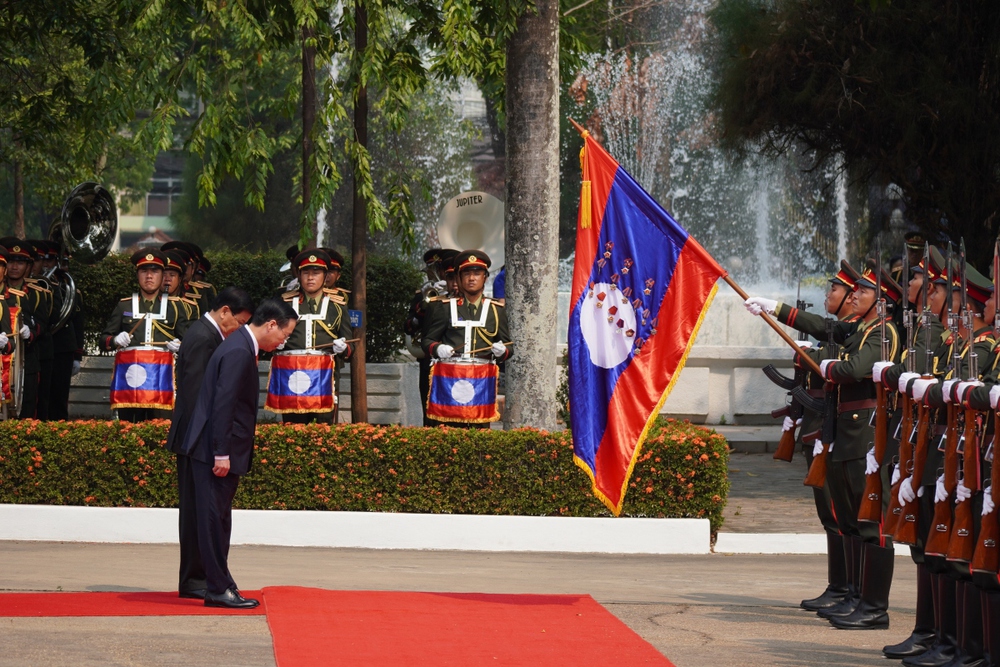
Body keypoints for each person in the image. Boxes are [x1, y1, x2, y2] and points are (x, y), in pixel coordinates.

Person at [746, 259, 902, 630]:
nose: (855, 296)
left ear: (881, 302)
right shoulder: (862, 329)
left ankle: (873, 607)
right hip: (847, 430)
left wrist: (817, 359)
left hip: (865, 433)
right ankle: (855, 595)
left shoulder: (883, 332)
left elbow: (851, 369)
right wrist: (777, 308)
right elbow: (825, 327)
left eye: (864, 291)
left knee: (869, 523)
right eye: (856, 289)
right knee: (850, 520)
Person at [180, 298, 298, 609]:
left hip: (217, 449)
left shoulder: (240, 346)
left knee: (218, 519)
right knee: (212, 521)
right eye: (284, 335)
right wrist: (221, 453)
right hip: (213, 451)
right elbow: (223, 404)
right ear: (271, 324)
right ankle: (218, 588)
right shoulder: (238, 351)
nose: (283, 341)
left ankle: (221, 583)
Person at [166, 287, 255, 601]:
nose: (238, 330)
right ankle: (196, 579)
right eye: (239, 322)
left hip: (194, 438)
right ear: (225, 311)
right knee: (199, 514)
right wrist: (207, 443)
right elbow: (197, 397)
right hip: (195, 439)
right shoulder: (205, 338)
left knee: (197, 513)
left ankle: (196, 578)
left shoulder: (205, 333)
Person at [421, 250, 512, 428]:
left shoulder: (496, 310)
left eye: (477, 273)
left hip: (481, 383)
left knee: (479, 435)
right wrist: (437, 348)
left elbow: (509, 346)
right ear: (459, 277)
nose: (472, 278)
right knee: (448, 433)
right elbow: (427, 340)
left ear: (485, 277)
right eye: (466, 273)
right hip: (450, 380)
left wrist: (503, 351)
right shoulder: (445, 308)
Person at [99, 249, 190, 422]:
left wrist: (181, 345)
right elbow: (103, 341)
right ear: (137, 275)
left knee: (161, 430)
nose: (149, 276)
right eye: (144, 271)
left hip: (161, 383)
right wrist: (115, 340)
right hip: (130, 383)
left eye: (155, 271)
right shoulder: (123, 305)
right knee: (129, 431)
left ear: (162, 276)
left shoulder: (176, 308)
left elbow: (190, 342)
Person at [275, 250, 354, 423]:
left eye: (316, 273)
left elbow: (349, 345)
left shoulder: (338, 306)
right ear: (299, 275)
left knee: (323, 427)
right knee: (292, 425)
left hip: (324, 376)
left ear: (325, 276)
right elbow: (270, 337)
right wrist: (276, 343)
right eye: (305, 273)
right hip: (292, 375)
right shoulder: (284, 303)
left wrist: (343, 348)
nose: (310, 278)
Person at [0, 238, 47, 419]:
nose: (14, 267)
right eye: (10, 262)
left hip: (23, 357)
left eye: (20, 262)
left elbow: (40, 324)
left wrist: (30, 333)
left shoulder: (23, 297)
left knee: (24, 407)